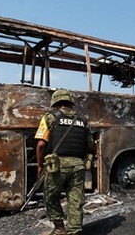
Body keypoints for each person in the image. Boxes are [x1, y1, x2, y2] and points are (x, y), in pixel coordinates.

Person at [35, 89, 96, 235]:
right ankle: (74, 230)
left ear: (55, 103)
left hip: (57, 166)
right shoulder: (82, 120)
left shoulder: (49, 117)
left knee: (50, 197)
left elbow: (41, 144)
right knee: (75, 200)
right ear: (70, 103)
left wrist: (39, 166)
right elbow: (91, 145)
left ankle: (59, 228)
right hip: (78, 165)